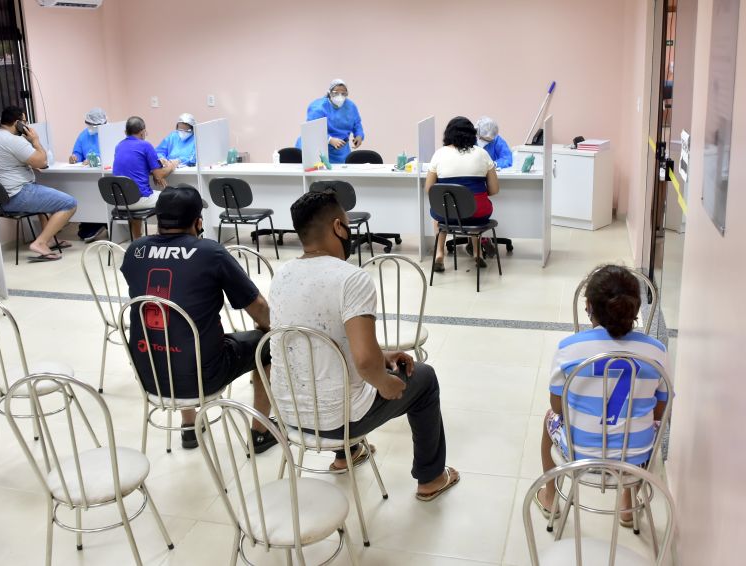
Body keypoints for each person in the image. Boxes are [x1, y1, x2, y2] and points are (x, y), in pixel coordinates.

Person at [268, 190, 459, 501]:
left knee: (341, 379)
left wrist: (381, 356)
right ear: (338, 227)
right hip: (336, 421)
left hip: (288, 415)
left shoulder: (283, 275)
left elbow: (323, 342)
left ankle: (347, 455)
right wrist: (385, 382)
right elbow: (365, 363)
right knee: (424, 379)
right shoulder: (351, 278)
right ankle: (431, 478)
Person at [120, 185, 277, 452]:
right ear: (198, 221)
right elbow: (258, 306)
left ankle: (190, 426)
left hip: (150, 373)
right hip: (203, 377)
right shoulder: (210, 253)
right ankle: (260, 433)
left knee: (178, 337)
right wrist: (269, 329)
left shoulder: (135, 251)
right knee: (267, 345)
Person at [536, 265, 669, 526]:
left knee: (548, 418)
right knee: (639, 422)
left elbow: (557, 407)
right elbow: (659, 413)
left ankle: (551, 496)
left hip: (580, 454)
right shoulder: (657, 352)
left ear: (589, 307)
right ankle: (628, 504)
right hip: (637, 456)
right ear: (633, 309)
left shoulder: (569, 349)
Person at [0, 106, 76, 261]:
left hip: (2, 198)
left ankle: (50, 239)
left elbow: (9, 159)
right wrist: (35, 141)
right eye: (25, 122)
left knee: (42, 197)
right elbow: (41, 161)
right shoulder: (12, 140)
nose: (27, 126)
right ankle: (40, 242)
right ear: (17, 123)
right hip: (17, 195)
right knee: (70, 203)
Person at [426, 116, 499, 272]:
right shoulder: (482, 154)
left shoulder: (439, 154)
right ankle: (477, 253)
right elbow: (494, 190)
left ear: (448, 134)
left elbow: (429, 190)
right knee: (473, 207)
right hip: (478, 213)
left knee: (440, 212)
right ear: (472, 134)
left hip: (447, 215)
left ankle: (439, 254)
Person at [112, 116, 176, 239]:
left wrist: (152, 171)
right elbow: (159, 174)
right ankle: (164, 237)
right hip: (138, 200)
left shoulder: (118, 146)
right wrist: (172, 165)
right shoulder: (145, 145)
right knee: (170, 197)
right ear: (142, 132)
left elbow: (134, 166)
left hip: (120, 201)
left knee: (134, 194)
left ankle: (137, 239)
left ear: (126, 132)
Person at [296, 79, 364, 164]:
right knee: (317, 174)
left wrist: (359, 135)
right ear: (329, 93)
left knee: (341, 174)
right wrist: (329, 139)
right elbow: (312, 129)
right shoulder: (318, 107)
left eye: (343, 93)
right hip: (318, 147)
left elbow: (357, 123)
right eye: (336, 93)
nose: (340, 96)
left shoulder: (350, 106)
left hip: (341, 150)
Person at [70, 107, 108, 242]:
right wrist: (74, 157)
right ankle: (92, 222)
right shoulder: (83, 135)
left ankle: (103, 222)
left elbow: (113, 155)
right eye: (89, 124)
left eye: (94, 125)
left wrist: (95, 159)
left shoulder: (111, 133)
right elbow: (77, 153)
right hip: (88, 176)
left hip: (106, 175)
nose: (91, 127)